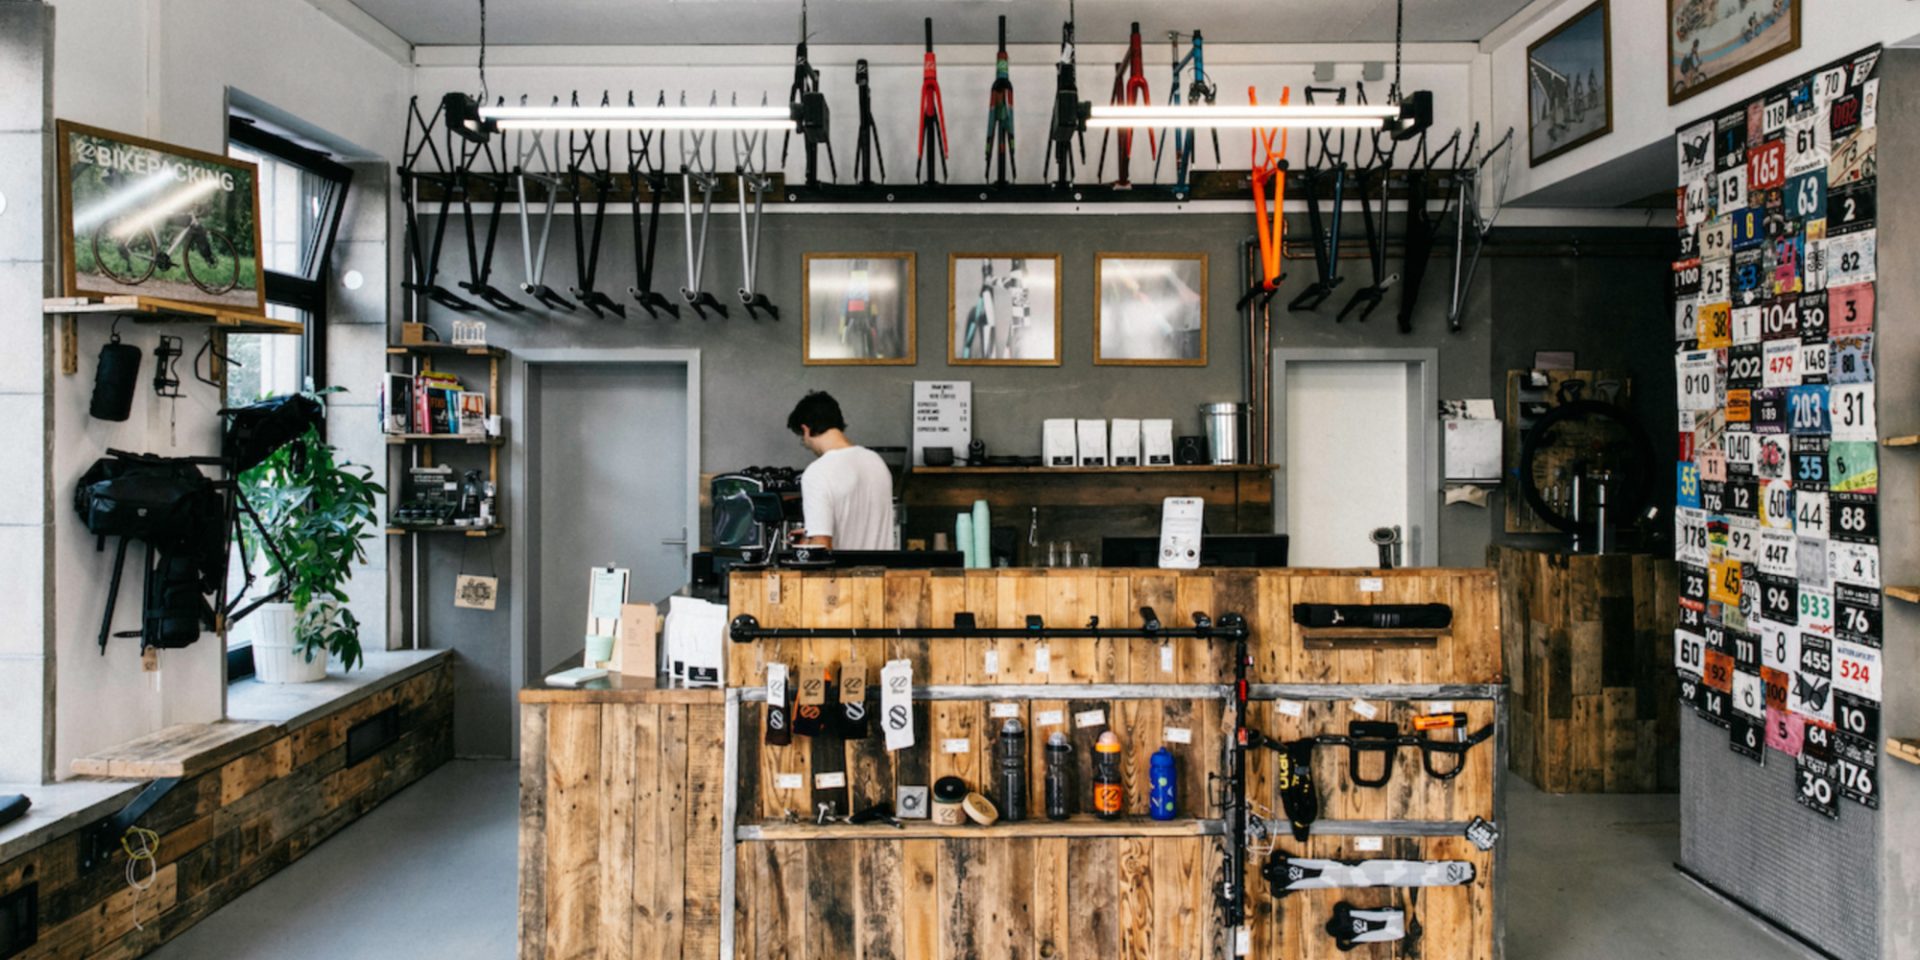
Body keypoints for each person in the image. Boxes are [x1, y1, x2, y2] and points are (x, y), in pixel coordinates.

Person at [786, 391, 897, 550]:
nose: (806, 444)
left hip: (843, 574)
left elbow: (821, 548)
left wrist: (807, 543)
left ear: (806, 430)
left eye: (803, 439)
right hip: (880, 572)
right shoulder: (876, 462)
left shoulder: (817, 472)